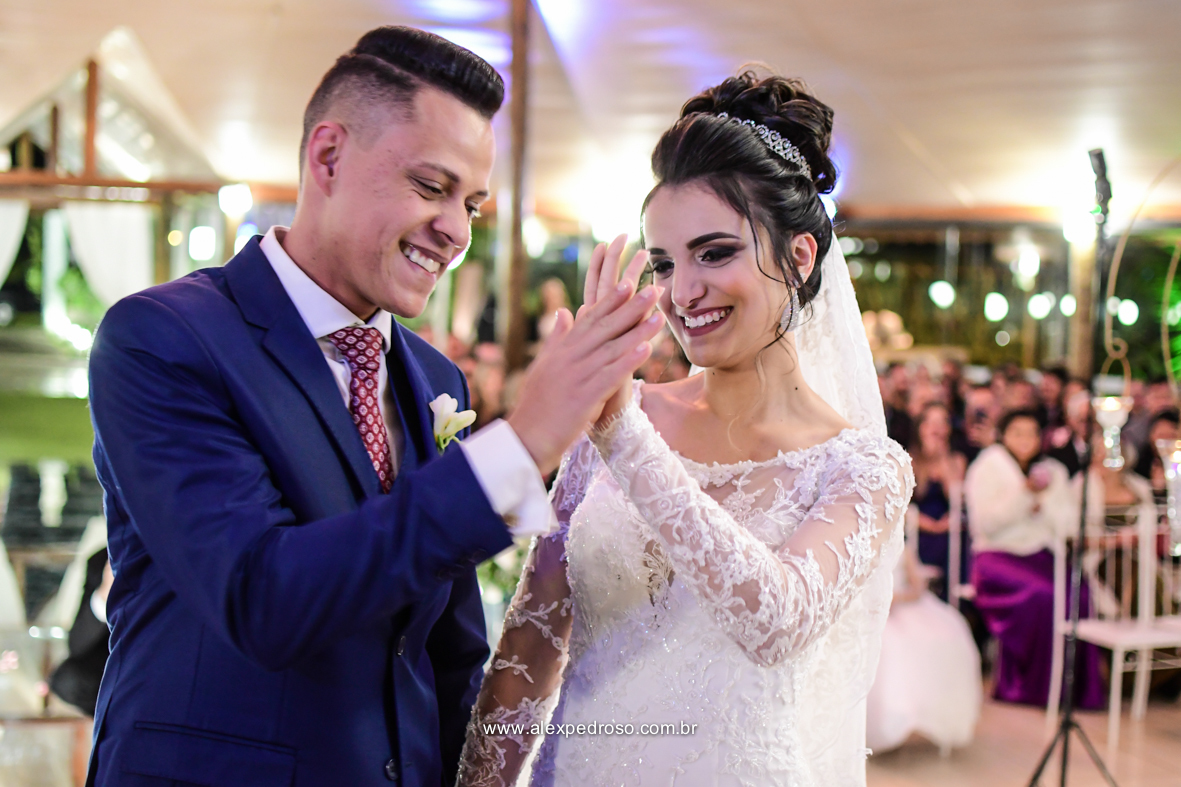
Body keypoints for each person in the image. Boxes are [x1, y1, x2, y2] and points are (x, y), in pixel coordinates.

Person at [85, 27, 665, 787]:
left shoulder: (434, 377)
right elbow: (262, 599)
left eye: (472, 204)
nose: (456, 231)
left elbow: (448, 647)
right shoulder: (163, 337)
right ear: (327, 156)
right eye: (431, 187)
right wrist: (519, 447)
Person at [459, 71, 913, 786]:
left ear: (798, 257)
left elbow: (777, 621)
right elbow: (529, 643)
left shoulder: (863, 466)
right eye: (664, 264)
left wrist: (626, 439)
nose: (682, 291)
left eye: (715, 252)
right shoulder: (618, 418)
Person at [965, 410, 1104, 709]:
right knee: (1044, 595)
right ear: (1004, 435)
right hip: (997, 555)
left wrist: (1045, 504)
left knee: (1078, 592)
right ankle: (1031, 687)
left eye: (1031, 433)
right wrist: (1024, 495)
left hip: (1041, 552)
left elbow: (1065, 522)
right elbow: (985, 524)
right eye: (1017, 432)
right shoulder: (988, 465)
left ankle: (1075, 690)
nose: (1025, 439)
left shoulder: (1051, 470)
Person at [865, 550, 981, 755]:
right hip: (867, 610)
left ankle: (923, 718)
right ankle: (888, 721)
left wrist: (893, 598)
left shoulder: (903, 549)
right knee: (889, 647)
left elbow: (917, 588)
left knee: (944, 636)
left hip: (900, 606)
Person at [910, 402, 970, 602]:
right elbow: (904, 505)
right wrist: (929, 525)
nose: (935, 429)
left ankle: (954, 598)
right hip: (918, 526)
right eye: (930, 423)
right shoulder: (910, 460)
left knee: (956, 544)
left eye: (941, 423)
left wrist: (943, 460)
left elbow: (956, 498)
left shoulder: (956, 460)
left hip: (947, 525)